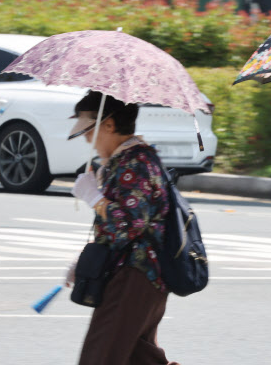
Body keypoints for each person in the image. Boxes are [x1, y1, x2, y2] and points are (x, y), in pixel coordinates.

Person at [67, 91, 178, 365]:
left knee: (99, 357)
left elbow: (130, 224)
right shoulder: (126, 161)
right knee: (139, 358)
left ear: (109, 124)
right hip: (139, 276)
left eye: (88, 130)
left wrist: (94, 197)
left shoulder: (136, 163)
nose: (86, 139)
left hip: (133, 276)